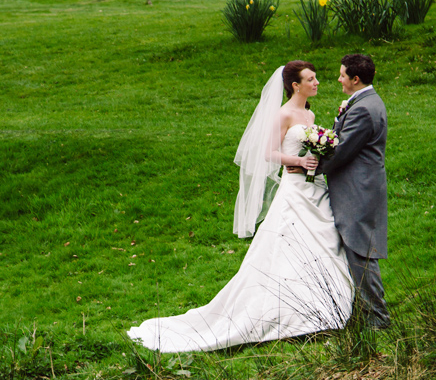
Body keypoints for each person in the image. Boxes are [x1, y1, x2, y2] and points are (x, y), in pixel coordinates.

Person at [126, 61, 353, 353]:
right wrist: (299, 162)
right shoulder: (282, 115)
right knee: (289, 246)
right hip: (294, 190)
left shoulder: (309, 113)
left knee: (321, 244)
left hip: (314, 191)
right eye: (311, 79)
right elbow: (270, 153)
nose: (317, 82)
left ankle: (321, 308)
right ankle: (289, 314)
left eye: (316, 78)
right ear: (295, 85)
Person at [313, 53, 391, 330]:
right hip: (362, 186)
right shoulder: (366, 101)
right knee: (358, 250)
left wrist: (310, 166)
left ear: (355, 79)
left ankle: (378, 318)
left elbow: (342, 150)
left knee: (361, 252)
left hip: (358, 190)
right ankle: (362, 311)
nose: (339, 79)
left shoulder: (362, 108)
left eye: (342, 75)